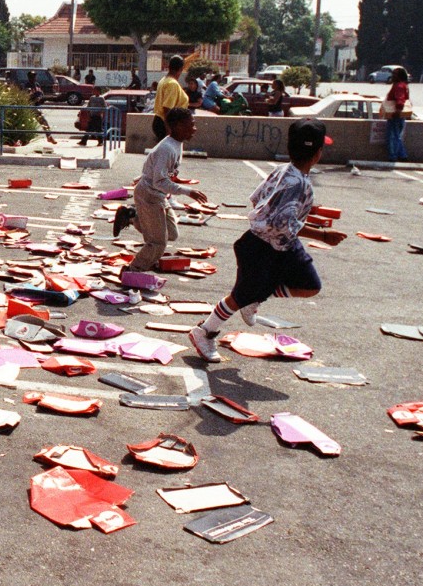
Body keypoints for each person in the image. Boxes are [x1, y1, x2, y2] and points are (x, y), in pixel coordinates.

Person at [187, 118, 347, 362]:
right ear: (317, 153)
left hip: (283, 245)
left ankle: (258, 297)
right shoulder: (297, 183)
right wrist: (322, 235)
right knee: (239, 296)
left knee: (310, 284)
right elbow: (281, 222)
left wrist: (304, 210)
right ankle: (204, 331)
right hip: (260, 247)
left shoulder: (286, 171)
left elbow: (258, 199)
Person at [113, 107, 207, 270]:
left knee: (171, 233)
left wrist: (176, 180)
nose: (195, 128)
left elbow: (163, 173)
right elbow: (159, 181)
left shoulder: (177, 144)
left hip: (159, 195)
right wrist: (188, 191)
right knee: (157, 243)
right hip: (149, 196)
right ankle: (132, 270)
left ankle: (131, 215)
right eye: (190, 125)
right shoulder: (167, 149)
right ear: (177, 126)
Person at [152, 55, 188, 140]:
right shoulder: (172, 84)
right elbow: (167, 108)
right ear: (181, 69)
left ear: (169, 67)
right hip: (167, 124)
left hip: (161, 122)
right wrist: (169, 130)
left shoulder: (164, 80)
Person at [385, 66, 410, 161]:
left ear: (399, 76)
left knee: (392, 136)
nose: (392, 76)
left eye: (394, 75)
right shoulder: (404, 85)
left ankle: (393, 156)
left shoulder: (398, 86)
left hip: (396, 114)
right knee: (397, 136)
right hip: (400, 116)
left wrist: (397, 111)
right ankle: (402, 155)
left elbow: (400, 100)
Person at [27, 71, 58, 145]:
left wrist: (40, 97)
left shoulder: (37, 84)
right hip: (30, 106)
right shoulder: (27, 85)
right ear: (29, 77)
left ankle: (49, 136)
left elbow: (41, 93)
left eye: (34, 76)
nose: (34, 78)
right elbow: (26, 95)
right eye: (32, 76)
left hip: (37, 105)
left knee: (44, 121)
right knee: (30, 124)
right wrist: (32, 96)